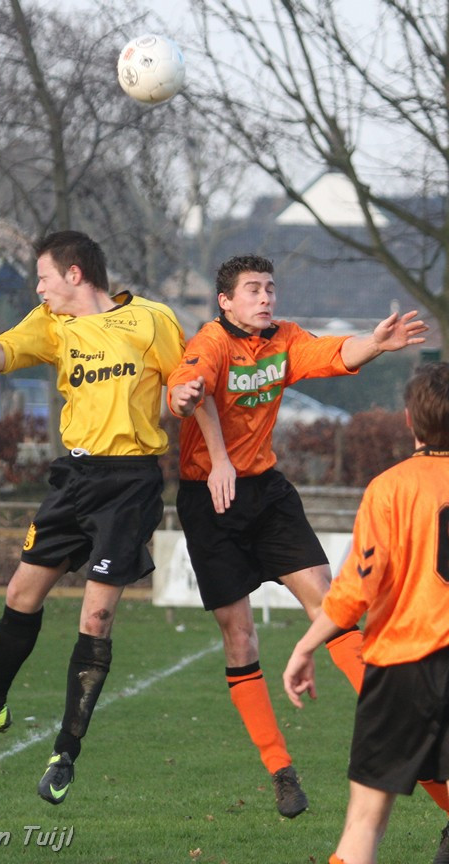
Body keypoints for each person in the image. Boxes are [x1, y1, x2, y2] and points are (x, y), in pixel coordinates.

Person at [167, 253, 432, 820]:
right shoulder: (210, 342)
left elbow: (334, 352)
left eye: (270, 287)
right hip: (210, 500)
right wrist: (187, 406)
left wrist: (376, 342)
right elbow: (188, 388)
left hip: (266, 493)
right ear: (225, 301)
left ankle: (394, 716)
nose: (265, 297)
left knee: (331, 607)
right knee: (239, 637)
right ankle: (281, 770)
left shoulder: (283, 339)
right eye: (252, 289)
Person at [0, 230, 185, 805]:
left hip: (130, 483)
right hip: (75, 477)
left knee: (96, 616)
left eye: (43, 276)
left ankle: (65, 752)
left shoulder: (153, 319)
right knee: (21, 594)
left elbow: (184, 386)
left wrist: (199, 428)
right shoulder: (51, 322)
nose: (38, 288)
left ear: (74, 274)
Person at [283, 362, 449, 864]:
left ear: (409, 419)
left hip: (401, 668)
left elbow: (357, 587)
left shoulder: (390, 488)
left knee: (364, 824)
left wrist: (306, 646)